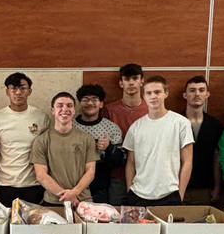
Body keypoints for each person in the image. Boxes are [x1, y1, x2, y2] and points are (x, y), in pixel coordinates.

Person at [123, 75, 194, 206]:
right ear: (144, 96)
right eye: (149, 93)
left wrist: (180, 194)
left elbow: (187, 162)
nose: (153, 96)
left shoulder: (181, 123)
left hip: (170, 194)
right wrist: (129, 190)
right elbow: (131, 162)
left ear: (166, 93)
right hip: (138, 194)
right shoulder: (136, 126)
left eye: (157, 92)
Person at [0, 72, 49, 206]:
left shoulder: (41, 118)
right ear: (7, 92)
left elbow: (47, 154)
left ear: (30, 91)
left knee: (33, 225)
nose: (18, 92)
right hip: (5, 183)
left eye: (22, 88)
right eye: (13, 88)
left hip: (34, 184)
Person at [31, 92, 97, 207]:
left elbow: (90, 172)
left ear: (74, 110)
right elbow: (41, 175)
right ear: (52, 110)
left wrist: (74, 193)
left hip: (82, 200)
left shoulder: (86, 138)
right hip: (54, 201)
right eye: (60, 105)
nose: (65, 109)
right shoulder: (42, 140)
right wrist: (65, 196)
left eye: (69, 105)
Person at [73, 84, 125, 204]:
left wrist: (109, 148)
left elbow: (121, 160)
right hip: (73, 184)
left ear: (101, 104)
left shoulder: (111, 128)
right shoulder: (70, 126)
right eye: (85, 99)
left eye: (94, 99)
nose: (90, 103)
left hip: (101, 187)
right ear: (79, 103)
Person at [104, 62, 148, 205]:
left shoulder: (151, 109)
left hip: (146, 175)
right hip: (118, 176)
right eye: (127, 79)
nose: (131, 83)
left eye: (135, 78)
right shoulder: (109, 110)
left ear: (142, 81)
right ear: (121, 83)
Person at [181, 75, 223, 206]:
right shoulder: (174, 123)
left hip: (205, 189)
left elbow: (217, 159)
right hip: (177, 187)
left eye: (201, 90)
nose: (197, 94)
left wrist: (217, 187)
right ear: (185, 95)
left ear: (207, 94)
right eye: (192, 90)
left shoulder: (215, 125)